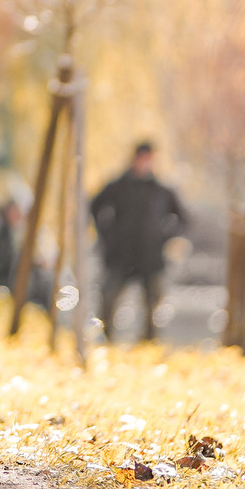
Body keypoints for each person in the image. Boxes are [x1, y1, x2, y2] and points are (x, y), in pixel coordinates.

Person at [90, 141, 189, 345]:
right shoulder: (119, 186)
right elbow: (94, 205)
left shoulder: (160, 190)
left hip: (150, 256)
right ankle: (105, 337)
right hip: (120, 254)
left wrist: (165, 237)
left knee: (153, 303)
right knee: (108, 297)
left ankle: (149, 341)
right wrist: (106, 236)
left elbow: (183, 219)